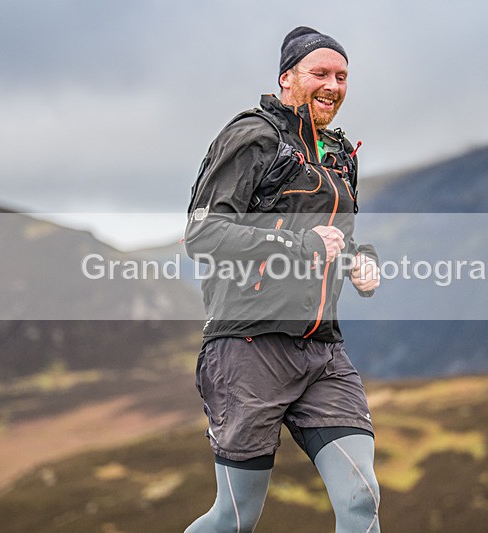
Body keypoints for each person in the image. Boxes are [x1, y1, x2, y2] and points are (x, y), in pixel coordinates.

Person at [184, 26, 381, 532]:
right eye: (320, 73)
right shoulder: (252, 137)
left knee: (361, 498)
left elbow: (336, 239)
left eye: (341, 76)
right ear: (287, 79)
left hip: (323, 352)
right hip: (249, 349)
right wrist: (298, 245)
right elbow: (203, 234)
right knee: (235, 517)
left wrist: (361, 260)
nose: (333, 85)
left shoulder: (338, 154)